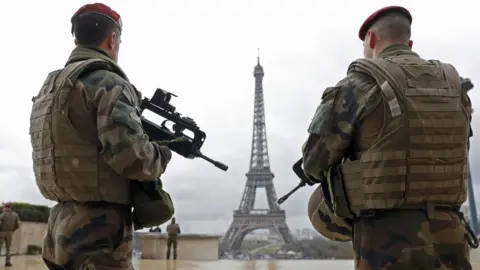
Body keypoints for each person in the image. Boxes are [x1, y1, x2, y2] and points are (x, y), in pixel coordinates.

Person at [302, 6, 474, 270]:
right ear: (410, 43)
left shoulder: (357, 84)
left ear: (371, 40)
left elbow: (313, 164)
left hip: (385, 240)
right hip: (449, 235)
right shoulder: (455, 88)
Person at [29, 3, 175, 269]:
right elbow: (133, 159)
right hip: (99, 232)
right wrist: (162, 154)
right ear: (113, 38)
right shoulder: (109, 83)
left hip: (60, 225)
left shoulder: (50, 89)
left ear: (76, 38)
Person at [0, 203, 20, 267]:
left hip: (1, 232)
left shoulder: (2, 214)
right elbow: (18, 224)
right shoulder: (15, 215)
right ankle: (8, 262)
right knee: (8, 248)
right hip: (10, 232)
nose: (3, 208)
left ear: (6, 208)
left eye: (4, 207)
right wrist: (13, 230)